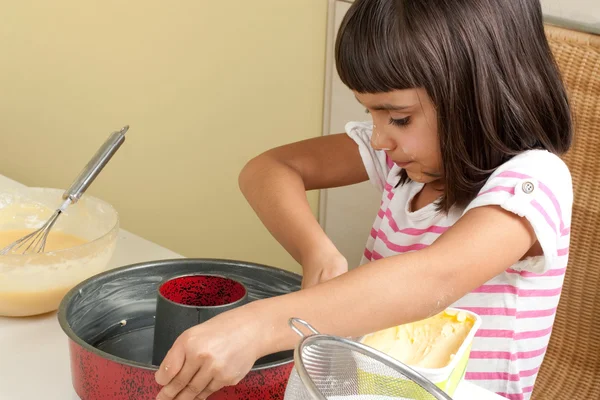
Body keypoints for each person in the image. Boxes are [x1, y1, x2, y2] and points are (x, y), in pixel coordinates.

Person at [154, 0, 573, 399]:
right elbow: (266, 170)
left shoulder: (532, 181)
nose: (378, 137)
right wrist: (315, 250)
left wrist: (257, 327)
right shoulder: (400, 162)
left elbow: (433, 279)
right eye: (370, 113)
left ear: (477, 93)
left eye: (399, 117)